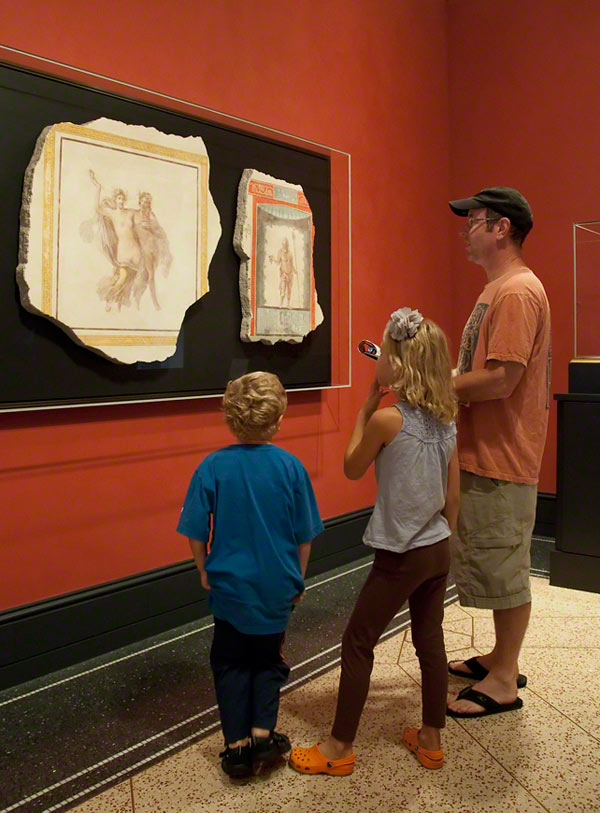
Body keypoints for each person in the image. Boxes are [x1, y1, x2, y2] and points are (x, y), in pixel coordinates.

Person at [289, 309, 459, 774]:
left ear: (398, 367)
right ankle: (431, 738)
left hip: (400, 554)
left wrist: (364, 408)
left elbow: (351, 466)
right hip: (437, 547)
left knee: (359, 640)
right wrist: (445, 541)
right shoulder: (447, 421)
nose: (377, 357)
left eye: (383, 351)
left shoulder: (386, 420)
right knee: (430, 638)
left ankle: (339, 748)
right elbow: (453, 493)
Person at [176, 372, 323, 778]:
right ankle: (262, 736)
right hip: (277, 587)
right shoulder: (291, 468)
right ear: (278, 419)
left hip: (229, 589)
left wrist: (205, 571)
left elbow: (193, 530)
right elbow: (304, 536)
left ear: (230, 418)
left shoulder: (213, 466)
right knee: (267, 660)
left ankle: (235, 747)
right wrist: (298, 579)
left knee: (228, 662)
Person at [446, 187, 551, 718]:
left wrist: (440, 384)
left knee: (504, 566)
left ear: (501, 227)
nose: (467, 230)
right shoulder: (501, 289)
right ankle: (498, 657)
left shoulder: (514, 293)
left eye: (474, 221)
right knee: (493, 560)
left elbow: (502, 380)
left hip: (502, 453)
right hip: (486, 450)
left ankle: (505, 677)